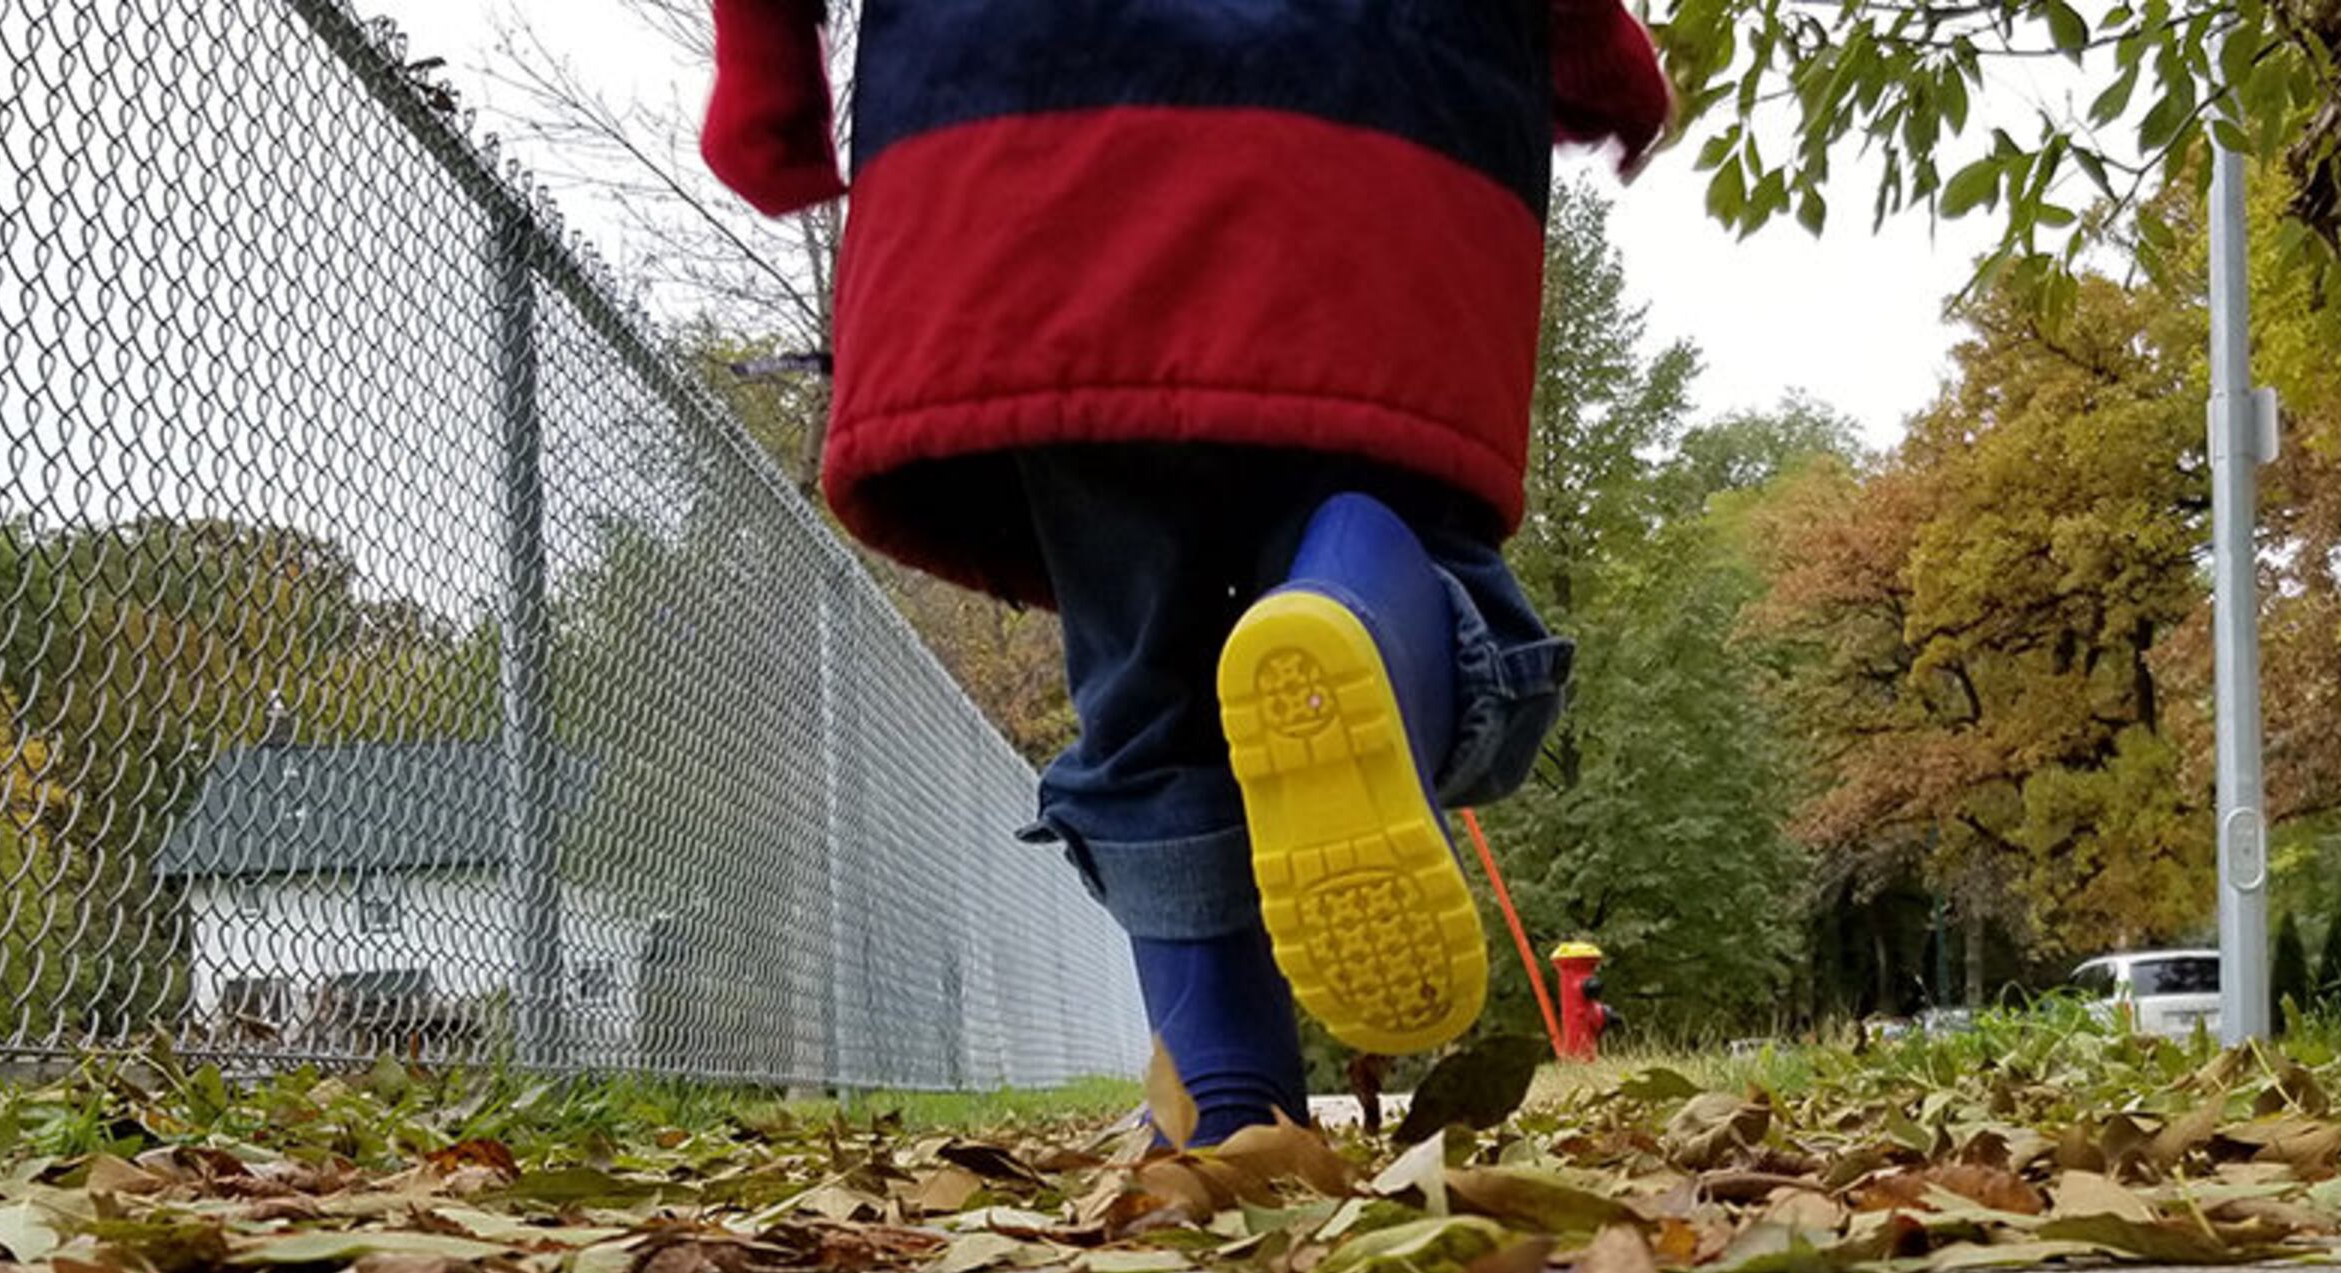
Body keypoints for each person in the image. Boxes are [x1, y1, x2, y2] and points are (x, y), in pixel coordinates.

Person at [699, 0, 1676, 1143]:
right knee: (1411, 546)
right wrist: (1600, 57)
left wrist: (770, 90)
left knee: (1141, 674)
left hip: (1027, 147)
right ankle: (1359, 612)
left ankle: (1227, 1104)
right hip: (1373, 132)